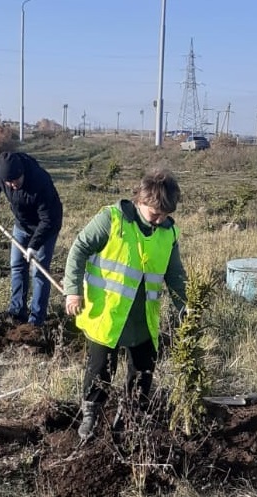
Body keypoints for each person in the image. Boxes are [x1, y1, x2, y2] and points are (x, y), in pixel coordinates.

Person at [64, 168, 186, 442]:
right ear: (140, 201)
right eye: (155, 213)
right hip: (107, 314)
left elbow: (175, 274)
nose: (160, 219)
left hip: (143, 318)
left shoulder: (168, 232)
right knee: (100, 371)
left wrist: (185, 306)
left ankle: (130, 415)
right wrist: (72, 292)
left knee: (143, 371)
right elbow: (79, 248)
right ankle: (91, 416)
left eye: (166, 214)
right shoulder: (112, 219)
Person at [0, 151, 63, 327]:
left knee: (39, 271)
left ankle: (36, 320)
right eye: (8, 183)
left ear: (23, 174)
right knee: (18, 266)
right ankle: (17, 311)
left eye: (15, 181)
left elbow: (48, 220)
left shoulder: (40, 181)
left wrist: (34, 245)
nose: (12, 186)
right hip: (21, 225)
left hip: (46, 227)